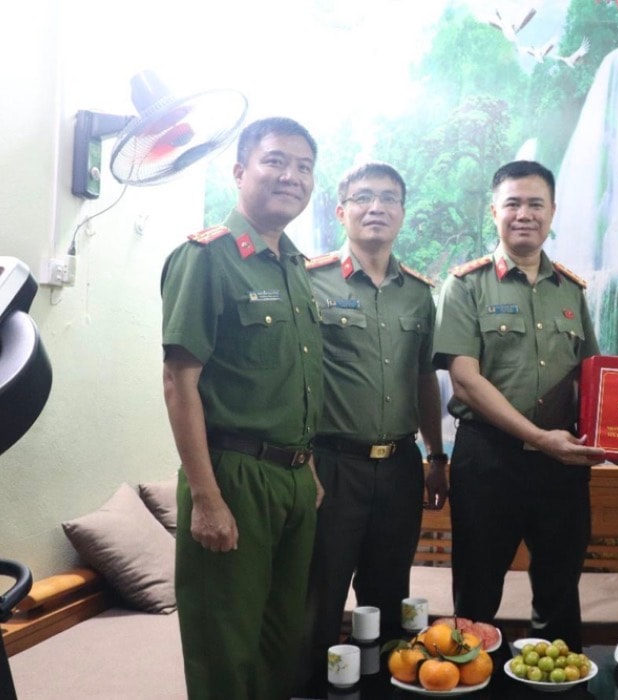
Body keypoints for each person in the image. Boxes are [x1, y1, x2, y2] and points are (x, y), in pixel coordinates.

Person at [161, 117, 324, 699]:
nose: (291, 176)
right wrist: (206, 498)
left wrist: (307, 467)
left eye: (304, 167)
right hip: (233, 476)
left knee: (281, 643)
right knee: (225, 650)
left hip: (294, 479)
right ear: (239, 171)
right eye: (275, 160)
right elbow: (179, 381)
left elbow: (291, 381)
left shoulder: (296, 267)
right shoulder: (208, 257)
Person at [432, 160, 605, 650]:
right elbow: (466, 381)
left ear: (552, 212)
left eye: (535, 204)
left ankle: (558, 683)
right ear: (495, 212)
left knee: (559, 593)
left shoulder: (571, 291)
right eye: (513, 204)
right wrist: (539, 438)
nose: (524, 214)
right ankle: (471, 680)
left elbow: (593, 378)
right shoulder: (466, 285)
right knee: (476, 596)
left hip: (562, 466)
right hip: (488, 461)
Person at [302, 162, 448, 678]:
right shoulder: (310, 281)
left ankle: (384, 686)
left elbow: (425, 380)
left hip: (401, 467)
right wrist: (304, 462)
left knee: (388, 596)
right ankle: (310, 688)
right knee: (319, 594)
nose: (376, 207)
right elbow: (297, 378)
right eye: (363, 197)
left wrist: (436, 457)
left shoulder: (419, 293)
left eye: (389, 198)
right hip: (332, 465)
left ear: (402, 213)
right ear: (341, 212)